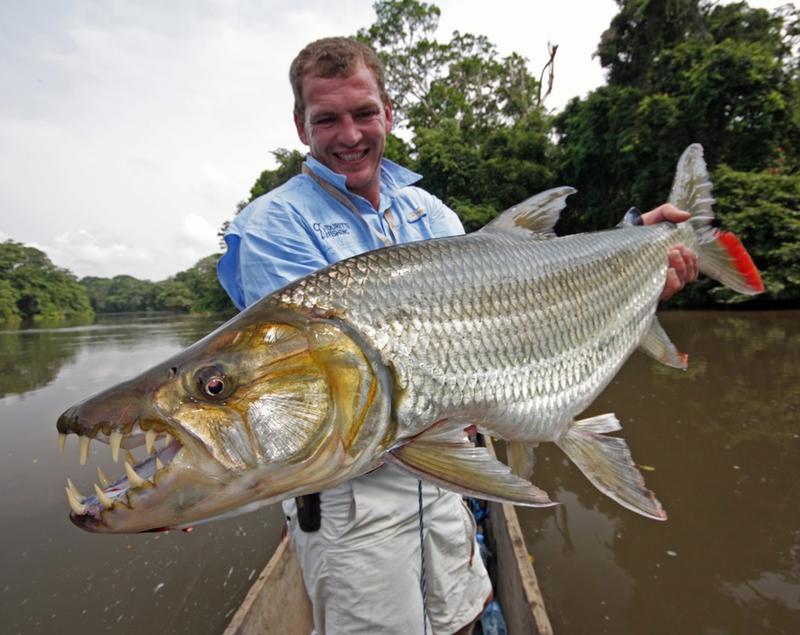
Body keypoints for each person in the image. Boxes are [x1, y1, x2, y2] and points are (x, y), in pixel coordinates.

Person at [217, 37, 697, 635]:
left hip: (447, 477)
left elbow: (520, 297)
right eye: (327, 119)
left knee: (464, 615)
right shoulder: (271, 227)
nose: (349, 135)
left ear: (388, 113)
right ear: (301, 126)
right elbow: (311, 398)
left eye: (364, 113)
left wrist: (635, 255)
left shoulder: (430, 213)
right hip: (353, 503)